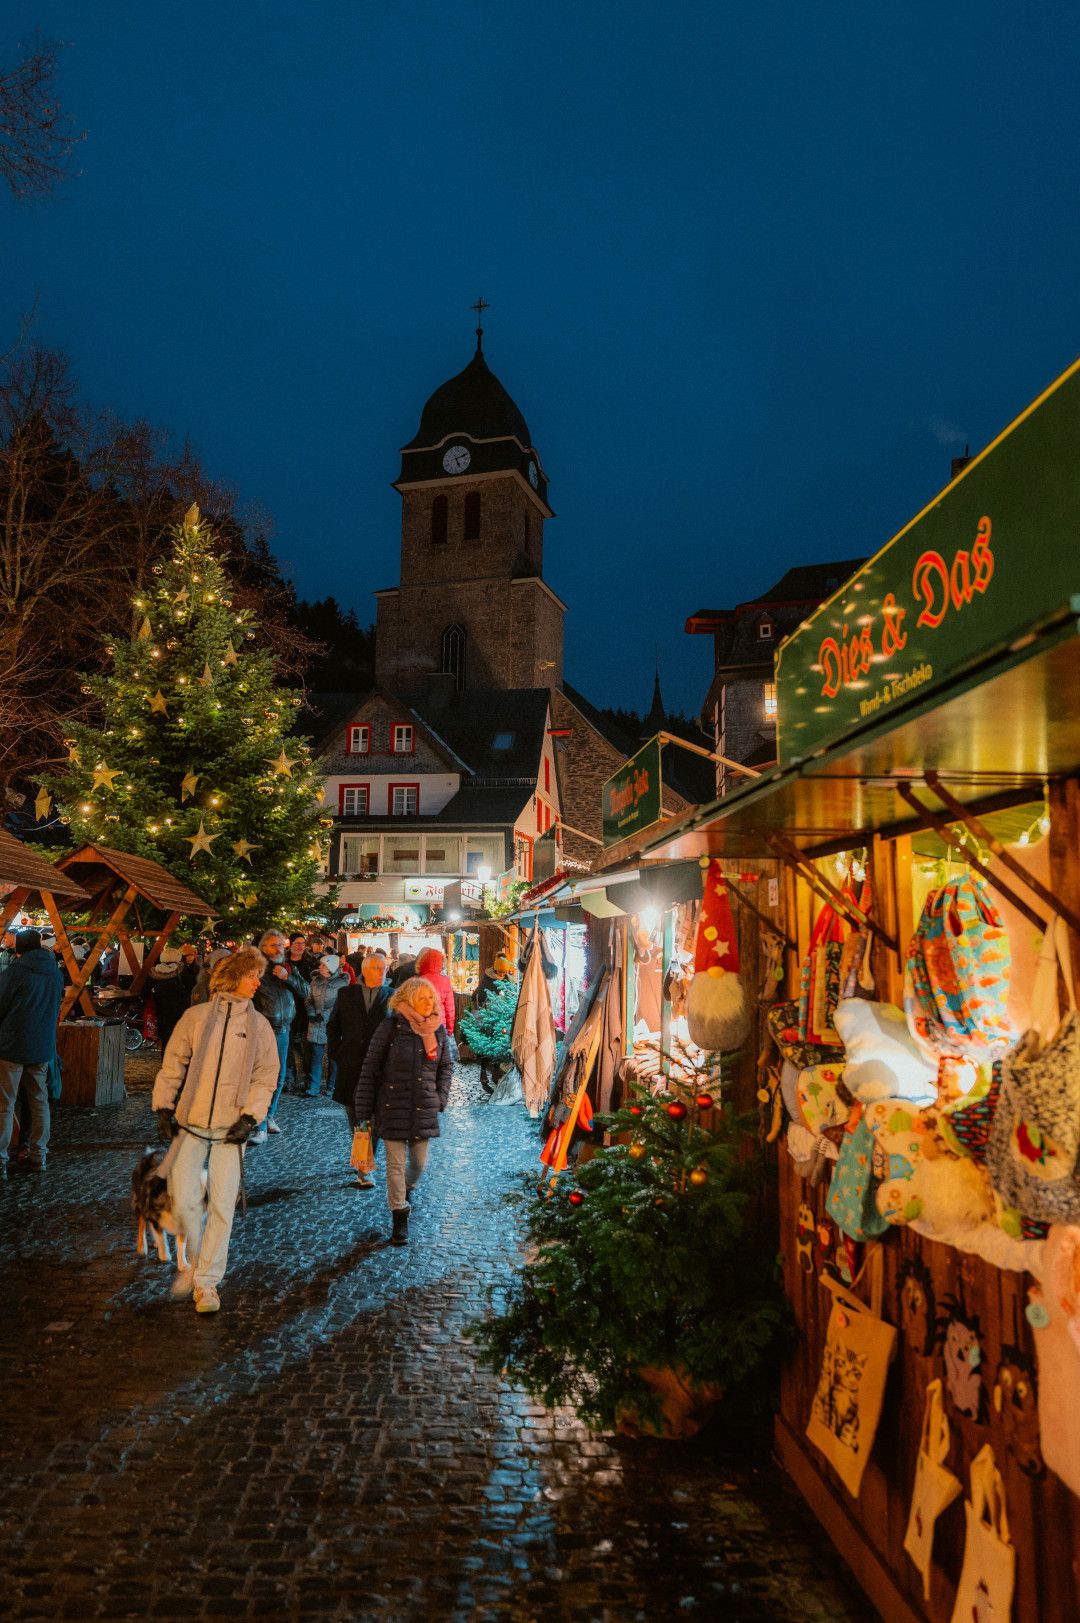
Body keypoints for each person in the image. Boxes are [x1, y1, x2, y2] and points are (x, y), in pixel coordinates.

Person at [151, 946, 279, 1312]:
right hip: (190, 1123)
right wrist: (163, 1105)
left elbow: (265, 1076)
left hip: (231, 1129)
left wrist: (250, 1117)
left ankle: (207, 1281)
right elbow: (173, 1062)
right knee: (185, 1200)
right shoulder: (195, 1017)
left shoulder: (259, 1026)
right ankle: (191, 1263)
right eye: (253, 975)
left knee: (223, 1203)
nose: (258, 982)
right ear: (234, 976)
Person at [354, 975, 452, 1245]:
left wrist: (440, 1097)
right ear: (407, 1000)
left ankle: (408, 1189)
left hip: (423, 1106)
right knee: (394, 1166)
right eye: (422, 997)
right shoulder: (391, 1027)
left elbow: (446, 1067)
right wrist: (363, 1110)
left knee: (419, 1163)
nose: (428, 1002)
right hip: (391, 1106)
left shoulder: (438, 1030)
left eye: (430, 997)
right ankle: (399, 1215)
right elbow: (370, 1068)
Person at [0, 929, 63, 1178]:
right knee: (40, 1103)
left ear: (19, 951)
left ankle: (1, 1161)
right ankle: (39, 1156)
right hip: (42, 1048)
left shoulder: (14, 973)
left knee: (5, 1105)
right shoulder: (55, 975)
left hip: (11, 1047)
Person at [327, 954, 392, 1188]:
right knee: (357, 1119)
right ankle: (363, 1160)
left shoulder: (392, 996)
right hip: (352, 1067)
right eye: (376, 968)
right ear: (365, 970)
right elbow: (333, 1025)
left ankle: (364, 1167)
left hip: (380, 1070)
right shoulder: (346, 994)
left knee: (372, 1118)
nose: (381, 971)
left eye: (384, 968)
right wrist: (337, 1053)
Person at [250, 929, 309, 1143]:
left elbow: (306, 991)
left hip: (284, 1029)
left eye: (281, 946)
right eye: (273, 946)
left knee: (280, 1076)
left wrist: (289, 977)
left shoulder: (287, 967)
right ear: (263, 948)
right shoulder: (256, 969)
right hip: (262, 1031)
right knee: (263, 1077)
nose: (278, 949)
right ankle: (260, 1125)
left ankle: (270, 1115)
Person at [304, 953, 350, 1097]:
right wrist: (312, 1013)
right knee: (316, 1056)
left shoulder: (343, 983)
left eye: (323, 964)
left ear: (331, 967)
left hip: (334, 1025)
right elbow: (309, 999)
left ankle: (332, 1087)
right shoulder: (315, 980)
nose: (320, 966)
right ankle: (314, 1087)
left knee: (333, 1058)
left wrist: (328, 1016)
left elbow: (343, 1004)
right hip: (317, 1023)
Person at [475, 952, 516, 1095]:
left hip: (505, 1020)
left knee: (503, 1045)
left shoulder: (509, 980)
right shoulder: (487, 981)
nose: (501, 974)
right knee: (488, 1045)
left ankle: (498, 1073)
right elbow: (477, 996)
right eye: (500, 972)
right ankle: (484, 1072)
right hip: (490, 1019)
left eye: (504, 972)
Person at [149, 948, 192, 1054]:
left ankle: (165, 1058)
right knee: (179, 1036)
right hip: (180, 1010)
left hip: (161, 1010)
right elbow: (191, 985)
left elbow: (147, 990)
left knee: (166, 1037)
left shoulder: (154, 972)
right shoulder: (182, 971)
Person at [415, 946, 456, 1036]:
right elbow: (450, 1009)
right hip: (440, 1025)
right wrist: (450, 1029)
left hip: (423, 1024)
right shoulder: (445, 981)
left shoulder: (419, 981)